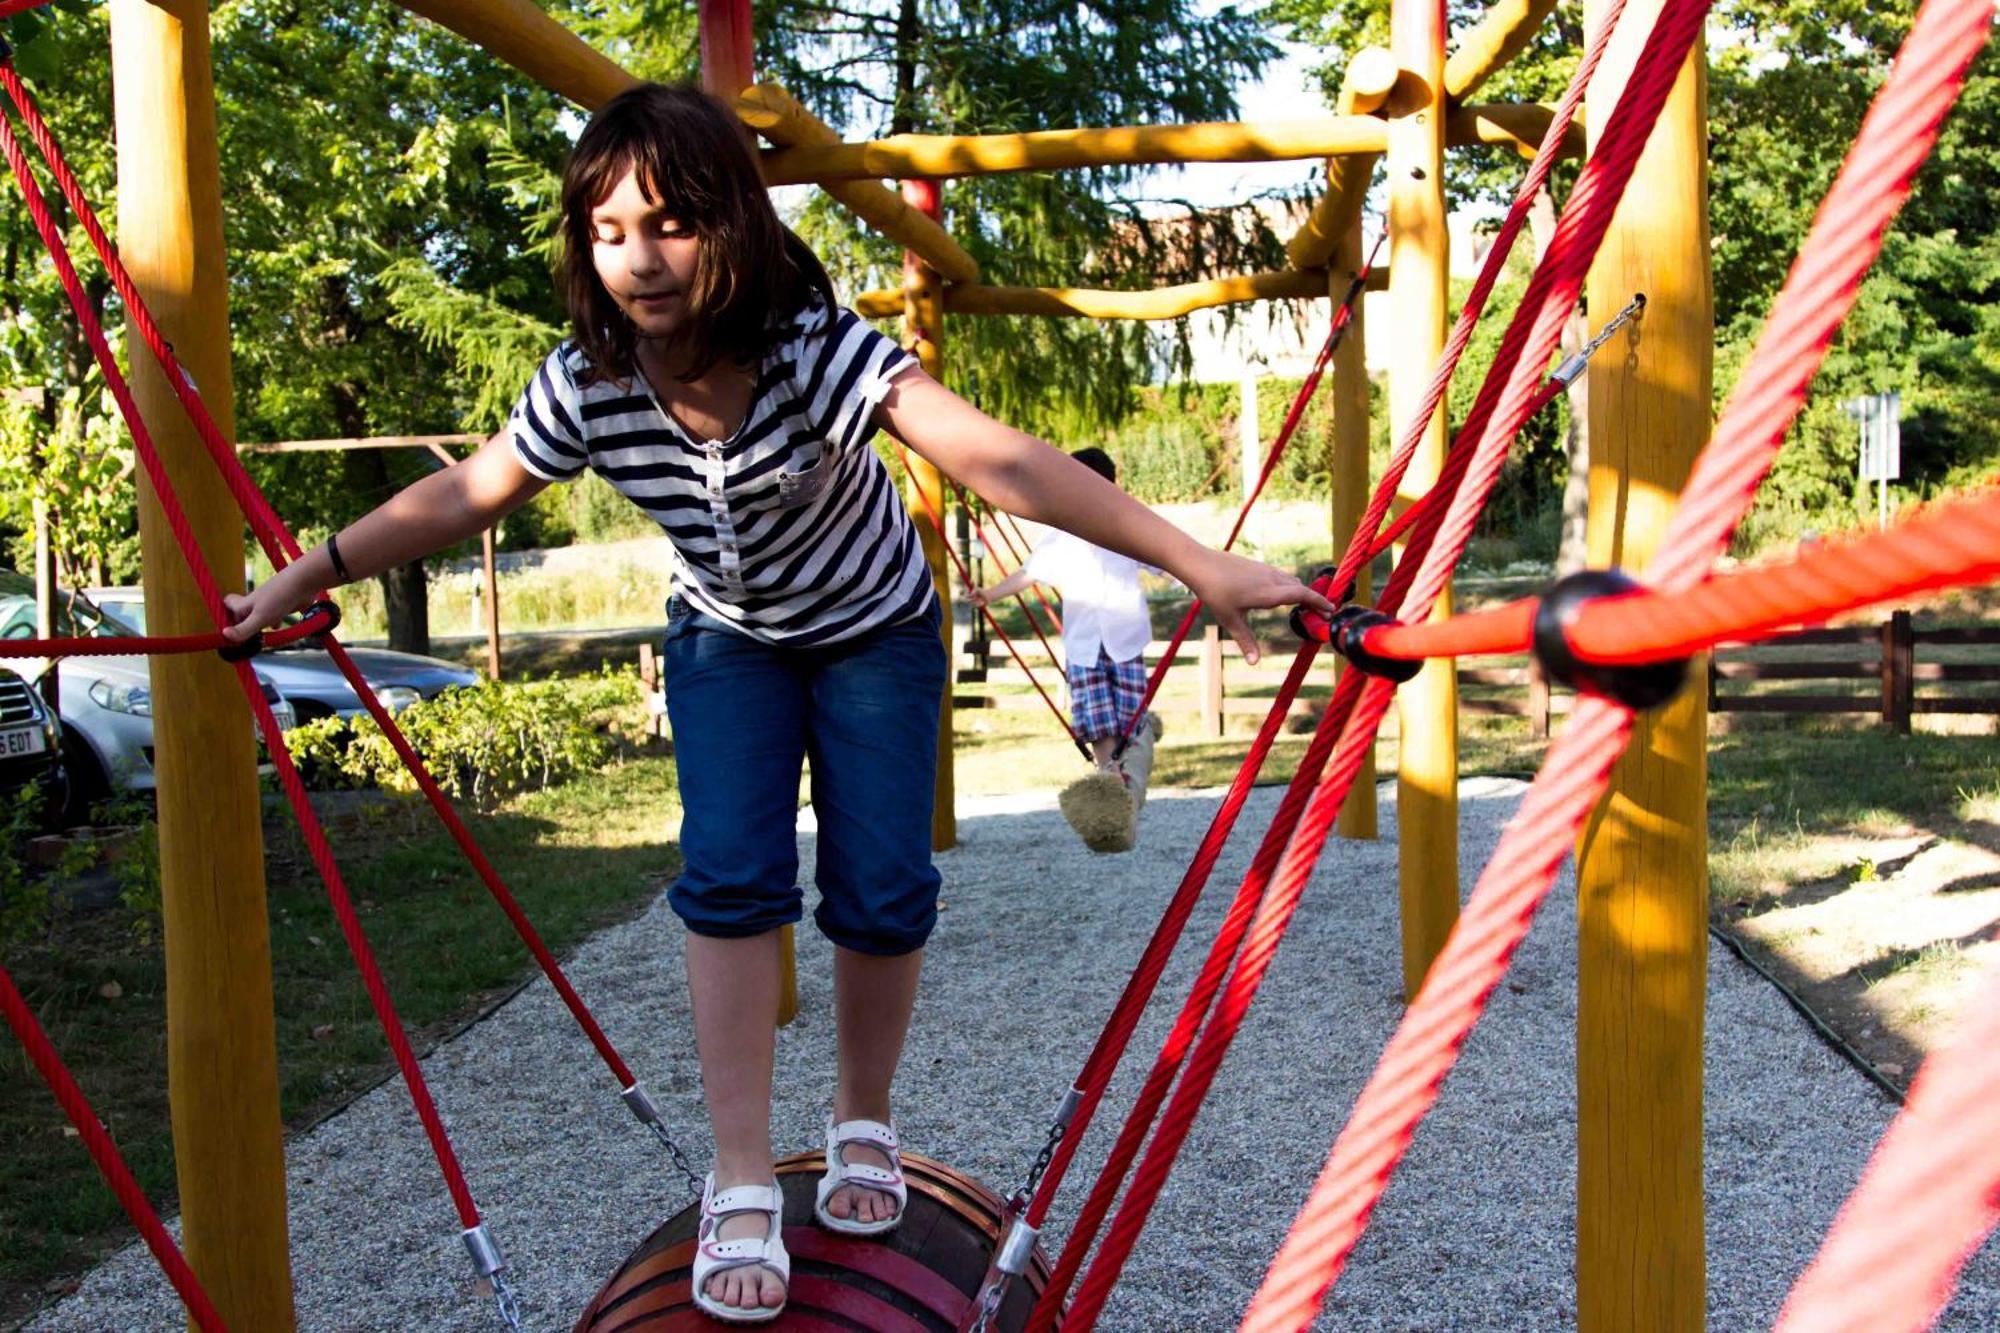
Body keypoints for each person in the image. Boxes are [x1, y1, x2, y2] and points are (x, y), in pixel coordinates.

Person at [223, 82, 1331, 1324]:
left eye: (670, 224)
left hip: (874, 632)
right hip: (732, 641)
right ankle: (740, 1170)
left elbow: (997, 457)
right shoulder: (591, 380)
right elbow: (465, 494)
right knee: (732, 878)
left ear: (733, 225)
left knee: (880, 885)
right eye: (607, 230)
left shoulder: (810, 343)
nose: (638, 259)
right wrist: (307, 575)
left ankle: (862, 1119)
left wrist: (1198, 560)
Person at [970, 447, 1158, 773]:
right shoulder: (1061, 534)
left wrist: (1198, 582)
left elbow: (1164, 560)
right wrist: (991, 593)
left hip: (1125, 639)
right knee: (1098, 721)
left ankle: (1131, 755)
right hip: (1083, 645)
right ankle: (1109, 779)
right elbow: (1029, 573)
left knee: (1129, 722)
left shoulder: (1130, 526)